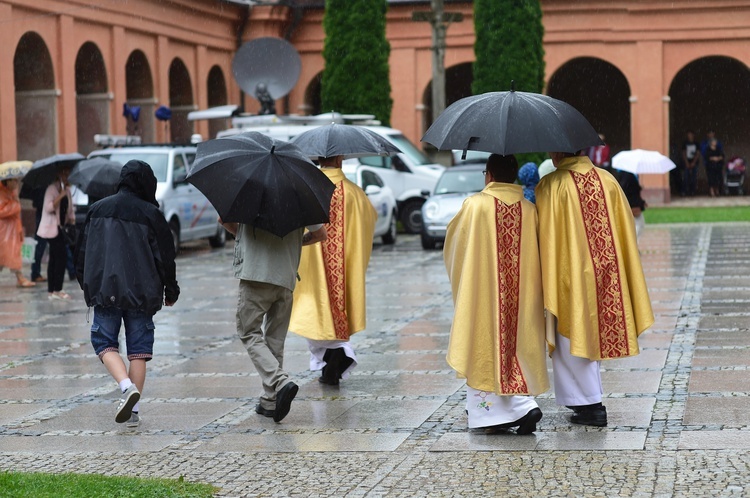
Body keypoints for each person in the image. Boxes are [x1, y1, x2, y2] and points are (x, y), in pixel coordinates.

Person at [535, 151, 654, 427]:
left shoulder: (552, 185)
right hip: (606, 273)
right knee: (593, 334)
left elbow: (544, 232)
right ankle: (583, 401)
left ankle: (591, 404)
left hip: (571, 274)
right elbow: (624, 228)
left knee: (572, 336)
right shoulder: (608, 180)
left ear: (559, 152)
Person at [444, 154, 548, 435]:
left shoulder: (475, 206)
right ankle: (523, 404)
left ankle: (501, 415)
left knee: (485, 349)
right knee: (514, 349)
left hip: (484, 295)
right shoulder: (528, 210)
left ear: (488, 174)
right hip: (521, 297)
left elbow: (455, 244)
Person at [76, 160, 180, 428]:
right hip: (142, 293)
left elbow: (82, 253)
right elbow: (166, 257)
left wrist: (86, 284)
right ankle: (133, 411)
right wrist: (171, 288)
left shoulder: (97, 210)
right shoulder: (151, 215)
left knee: (103, 342)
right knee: (139, 351)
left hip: (106, 290)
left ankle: (125, 387)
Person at [220, 213, 327, 423]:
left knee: (248, 332)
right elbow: (320, 235)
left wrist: (245, 236)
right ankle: (270, 400)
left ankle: (280, 382)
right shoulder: (299, 198)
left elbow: (223, 220)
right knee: (275, 340)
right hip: (285, 278)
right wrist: (296, 242)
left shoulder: (248, 193)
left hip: (255, 276)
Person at [288, 155, 377, 386]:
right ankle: (334, 357)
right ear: (340, 159)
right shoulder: (355, 193)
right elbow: (371, 220)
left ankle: (330, 358)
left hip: (312, 266)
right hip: (344, 266)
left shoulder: (307, 188)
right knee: (334, 314)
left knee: (313, 313)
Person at [37, 167, 76, 300]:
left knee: (54, 258)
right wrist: (60, 196)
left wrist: (72, 220)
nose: (66, 176)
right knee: (61, 257)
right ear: (58, 174)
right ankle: (57, 289)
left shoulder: (68, 191)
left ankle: (52, 290)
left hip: (62, 228)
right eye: (64, 173)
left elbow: (70, 209)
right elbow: (48, 208)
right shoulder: (52, 189)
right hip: (51, 228)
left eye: (67, 173)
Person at [0, 178, 36, 288]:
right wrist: (15, 204)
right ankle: (20, 277)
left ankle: (20, 277)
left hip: (13, 230)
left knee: (11, 254)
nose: (16, 183)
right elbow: (2, 211)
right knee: (7, 254)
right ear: (7, 181)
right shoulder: (2, 194)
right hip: (4, 231)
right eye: (13, 181)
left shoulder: (12, 193)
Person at [618, 171, 647, 238]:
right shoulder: (627, 175)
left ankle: (633, 244)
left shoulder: (631, 174)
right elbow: (627, 190)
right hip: (632, 205)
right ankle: (633, 244)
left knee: (636, 225)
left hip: (633, 204)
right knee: (639, 225)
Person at [28, 186, 48, 283]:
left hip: (43, 214)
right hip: (43, 215)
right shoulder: (42, 185)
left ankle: (35, 272)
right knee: (40, 245)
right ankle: (35, 273)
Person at [681, 131, 700, 197]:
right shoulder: (685, 143)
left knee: (694, 178)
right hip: (686, 163)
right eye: (688, 135)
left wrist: (693, 163)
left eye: (691, 134)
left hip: (694, 163)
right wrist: (687, 163)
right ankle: (685, 191)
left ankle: (693, 191)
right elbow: (683, 153)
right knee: (685, 178)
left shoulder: (696, 143)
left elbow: (697, 153)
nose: (690, 136)